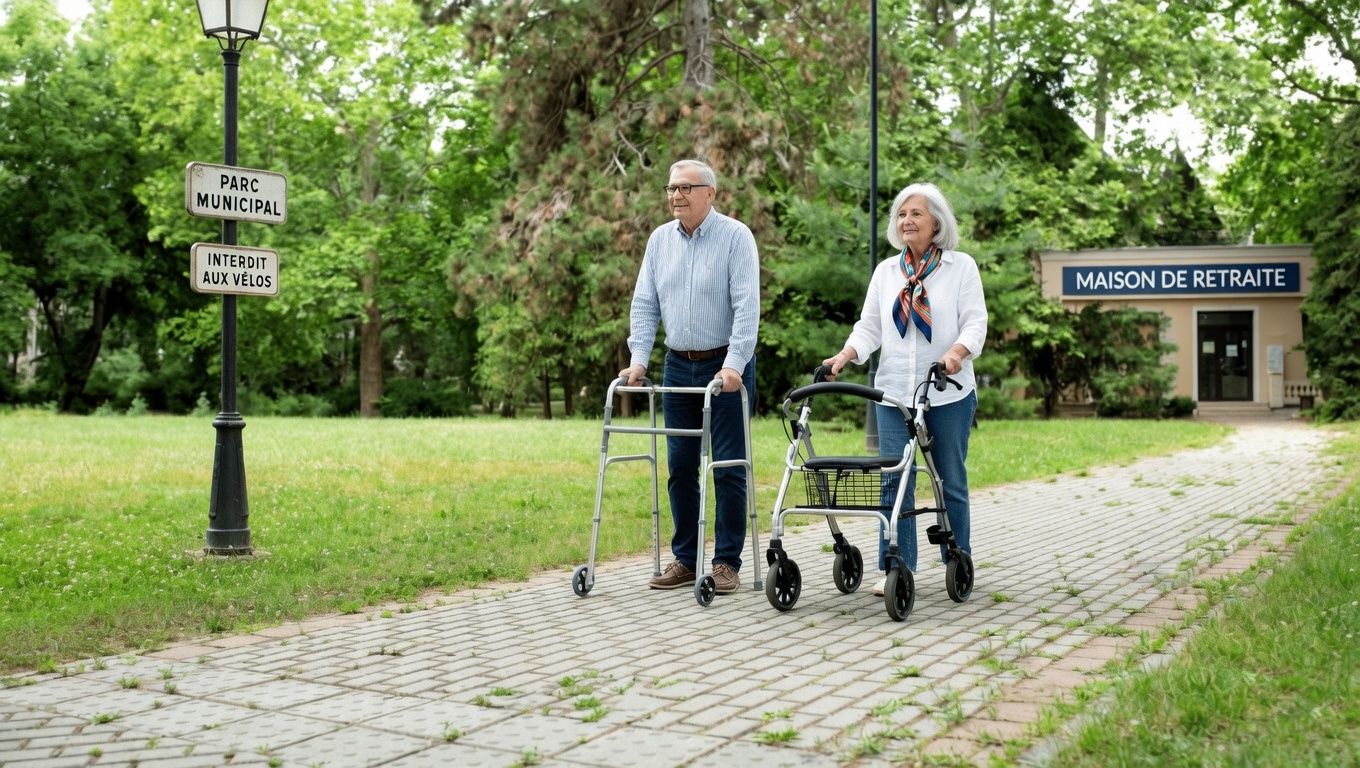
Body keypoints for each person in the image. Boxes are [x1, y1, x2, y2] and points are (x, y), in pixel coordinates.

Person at [821, 182, 986, 596]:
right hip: (893, 393)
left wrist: (956, 353)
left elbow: (975, 322)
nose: (906, 220)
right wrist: (844, 356)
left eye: (916, 213)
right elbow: (871, 327)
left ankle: (957, 560)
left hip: (945, 391)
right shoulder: (887, 272)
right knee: (894, 480)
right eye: (901, 214)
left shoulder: (960, 267)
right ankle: (896, 566)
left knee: (948, 480)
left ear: (936, 223)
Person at [620, 159, 760, 596]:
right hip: (678, 363)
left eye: (685, 187)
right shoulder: (660, 240)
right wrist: (639, 360)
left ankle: (726, 563)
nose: (675, 195)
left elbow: (746, 307)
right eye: (671, 188)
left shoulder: (736, 237)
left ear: (709, 193)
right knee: (680, 465)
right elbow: (645, 304)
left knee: (728, 465)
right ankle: (684, 558)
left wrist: (735, 363)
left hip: (725, 366)